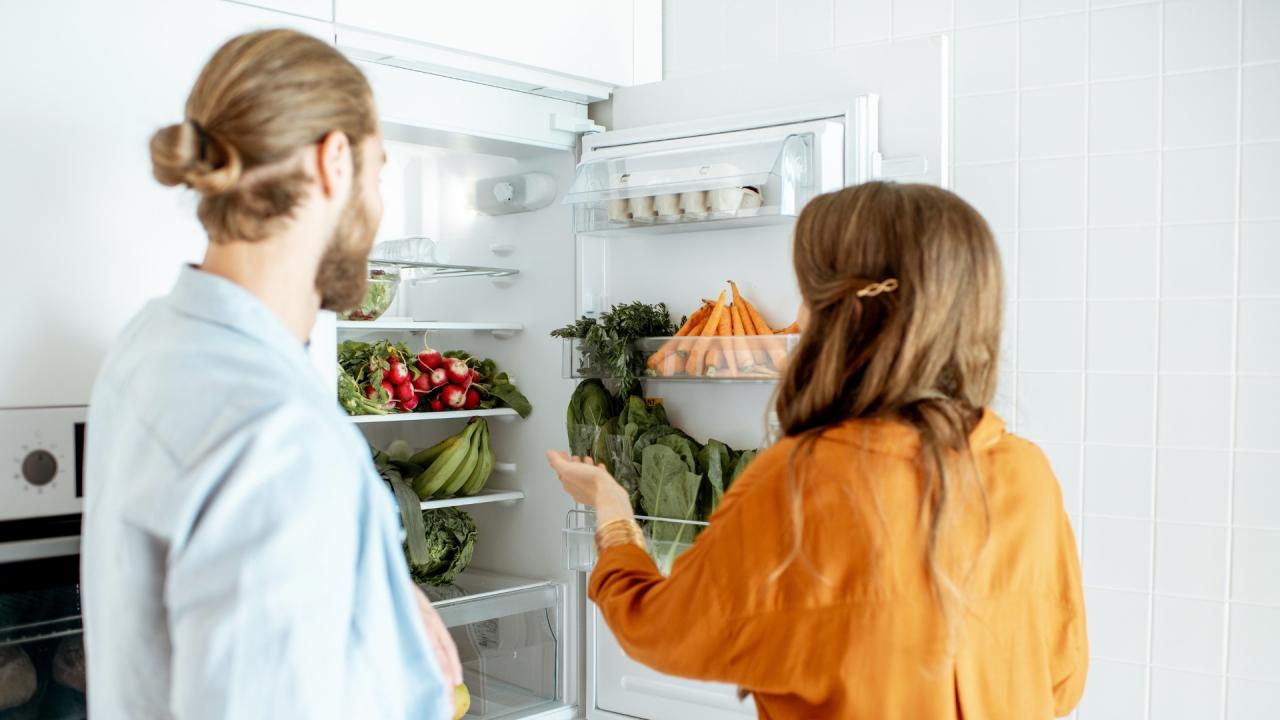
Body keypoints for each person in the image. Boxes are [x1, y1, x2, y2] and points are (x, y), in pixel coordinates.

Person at [546, 182, 1088, 719]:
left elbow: (659, 631)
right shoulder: (1027, 474)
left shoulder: (798, 480)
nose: (799, 320)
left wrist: (614, 515)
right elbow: (1061, 682)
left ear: (844, 314)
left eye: (808, 295)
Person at [82, 29, 461, 719]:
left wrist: (372, 598)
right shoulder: (278, 434)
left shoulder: (148, 344)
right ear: (333, 162)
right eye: (378, 176)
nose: (377, 210)